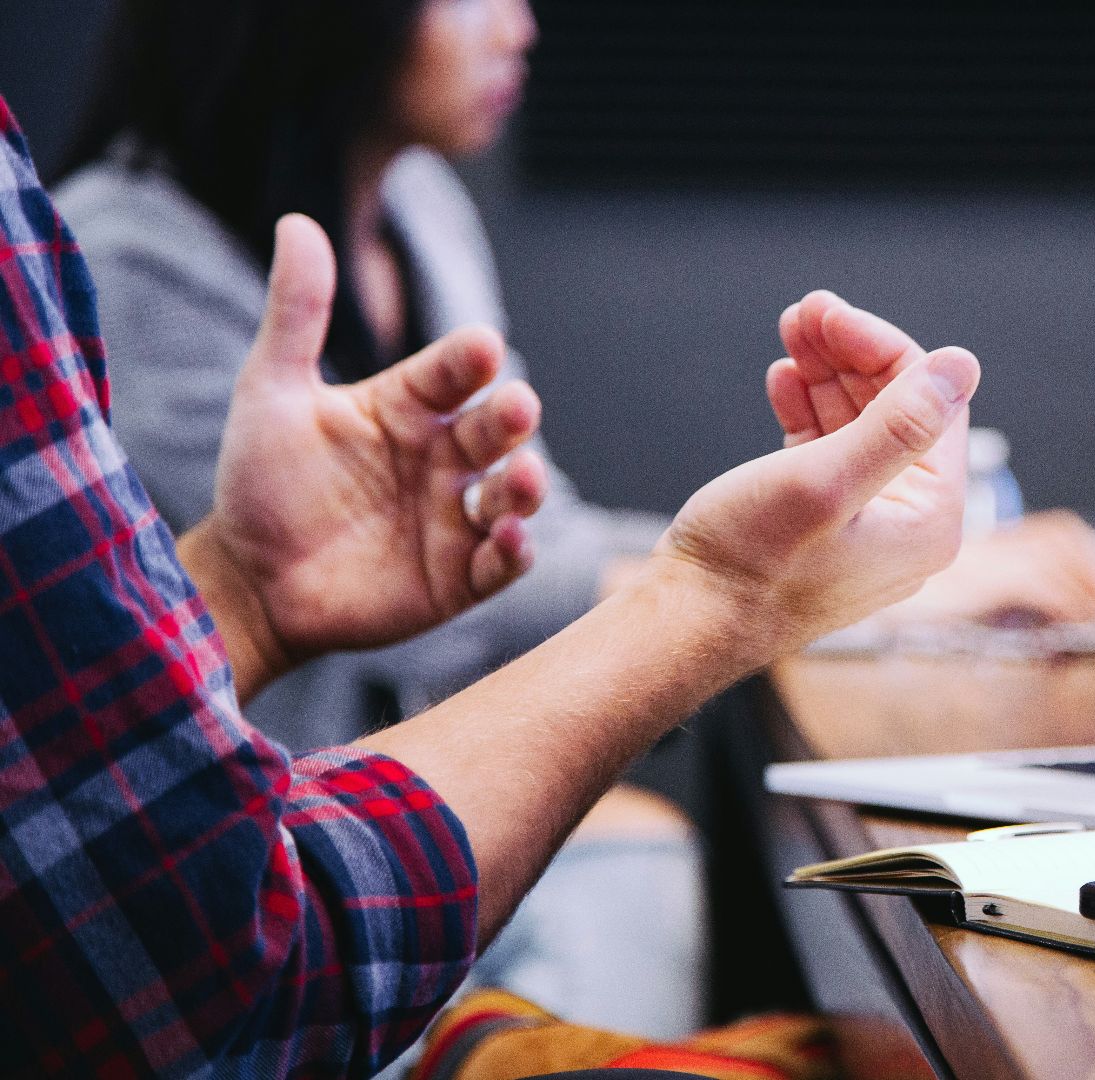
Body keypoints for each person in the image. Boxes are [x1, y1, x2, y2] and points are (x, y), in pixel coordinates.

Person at [0, 88, 982, 1077]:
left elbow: (61, 748)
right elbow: (216, 980)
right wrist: (725, 596)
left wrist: (246, 595)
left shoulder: (419, 202)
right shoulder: (121, 249)